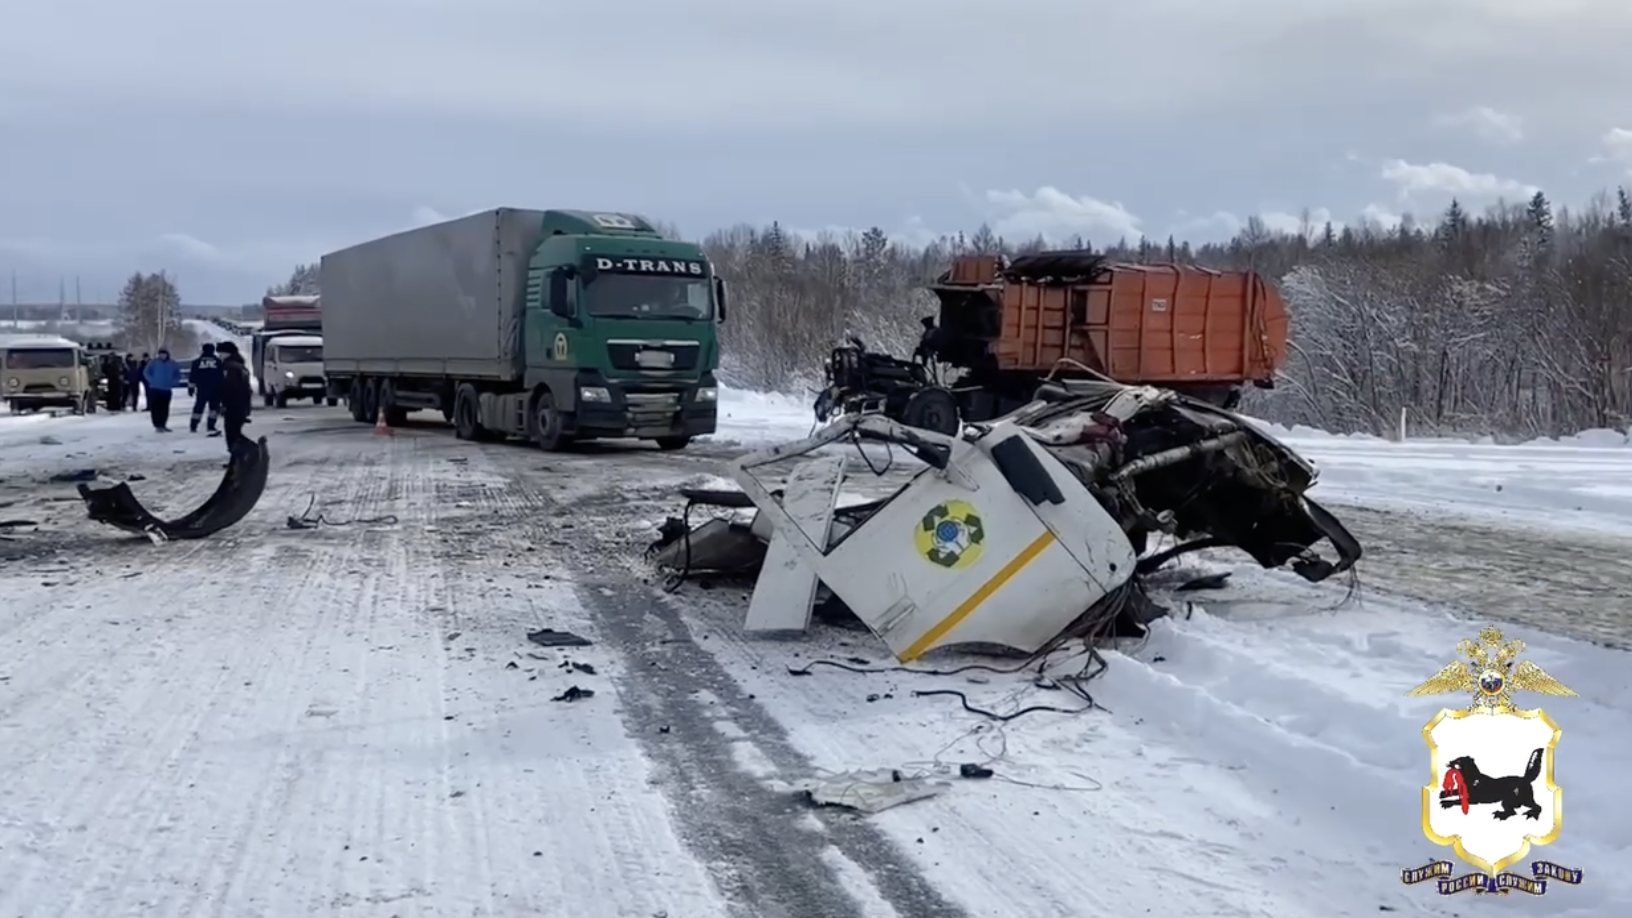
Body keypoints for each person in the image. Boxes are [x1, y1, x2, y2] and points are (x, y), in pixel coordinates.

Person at [217, 341, 253, 450]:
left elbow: (230, 387)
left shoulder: (229, 367)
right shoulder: (240, 365)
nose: (219, 356)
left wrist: (224, 403)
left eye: (221, 353)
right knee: (236, 432)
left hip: (233, 405)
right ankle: (239, 458)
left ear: (227, 353)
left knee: (232, 434)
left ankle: (241, 457)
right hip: (242, 404)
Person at [187, 343, 225, 435]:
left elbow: (193, 376)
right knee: (214, 408)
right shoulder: (218, 361)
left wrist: (191, 388)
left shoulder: (197, 362)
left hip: (202, 389)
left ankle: (193, 425)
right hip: (216, 389)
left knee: (199, 407)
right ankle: (211, 425)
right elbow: (222, 376)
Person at [142, 348, 182, 432]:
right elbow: (146, 372)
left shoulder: (172, 363)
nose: (162, 356)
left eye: (164, 354)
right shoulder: (153, 363)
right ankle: (157, 425)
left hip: (167, 388)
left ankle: (163, 424)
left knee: (165, 408)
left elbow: (177, 374)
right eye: (161, 354)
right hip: (155, 388)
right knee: (156, 407)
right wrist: (152, 380)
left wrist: (173, 382)